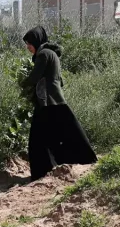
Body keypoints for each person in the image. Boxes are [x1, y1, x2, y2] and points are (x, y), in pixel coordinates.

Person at [20, 26, 98, 181]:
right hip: (56, 99)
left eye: (29, 43)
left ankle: (42, 172)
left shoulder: (43, 54)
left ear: (36, 41)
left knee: (38, 139)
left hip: (46, 101)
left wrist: (21, 84)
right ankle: (84, 159)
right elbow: (60, 80)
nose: (28, 47)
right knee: (64, 132)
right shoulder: (52, 54)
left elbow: (34, 77)